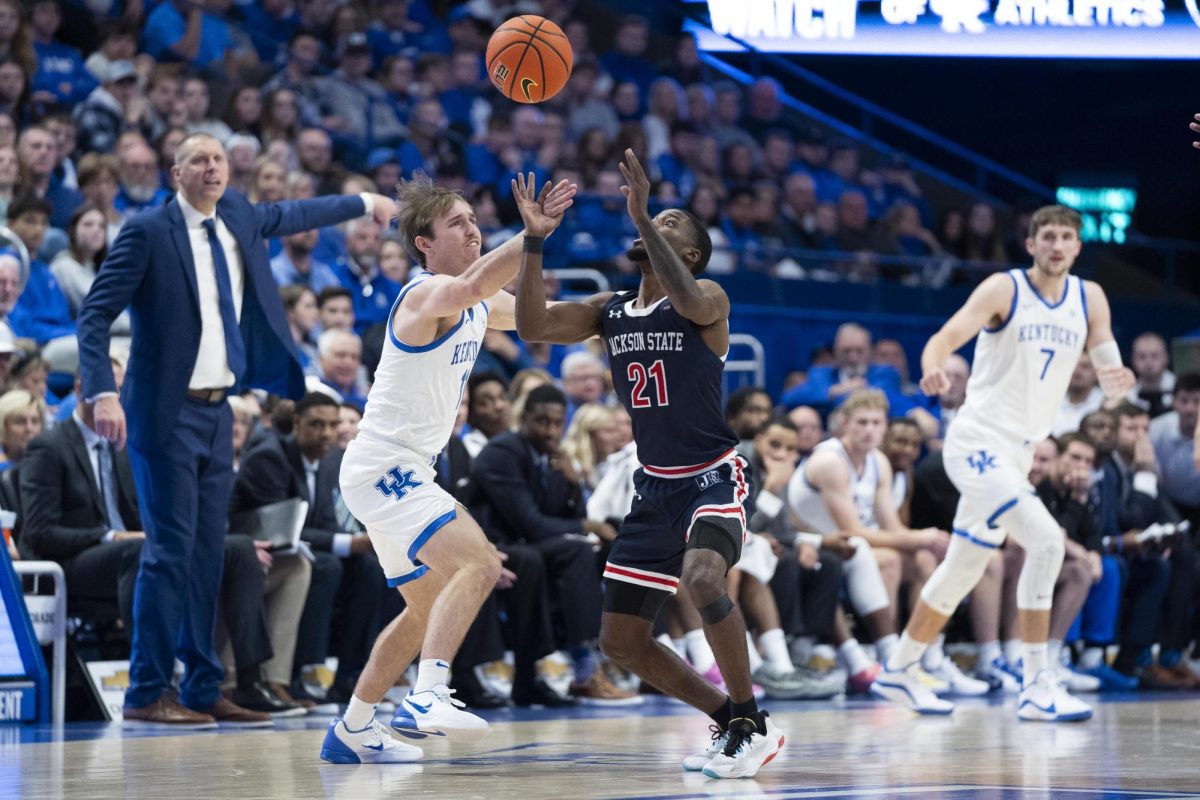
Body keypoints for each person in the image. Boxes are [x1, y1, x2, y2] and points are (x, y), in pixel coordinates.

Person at [76, 132, 398, 729]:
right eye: (199, 159)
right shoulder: (148, 231)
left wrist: (363, 203)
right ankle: (146, 691)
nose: (212, 168)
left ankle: (201, 688)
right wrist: (101, 390)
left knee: (205, 556)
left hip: (218, 413)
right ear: (176, 172)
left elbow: (296, 213)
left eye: (219, 159)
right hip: (163, 411)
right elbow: (95, 313)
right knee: (169, 553)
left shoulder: (239, 216)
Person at [515, 149, 782, 780]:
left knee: (705, 580)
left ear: (690, 254)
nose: (654, 225)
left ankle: (751, 718)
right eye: (653, 220)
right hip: (653, 487)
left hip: (713, 476)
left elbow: (689, 301)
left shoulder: (708, 298)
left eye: (668, 225)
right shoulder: (609, 311)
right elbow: (531, 324)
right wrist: (532, 243)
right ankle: (733, 719)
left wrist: (638, 214)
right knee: (621, 641)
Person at [321, 173, 576, 764]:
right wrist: (532, 236)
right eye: (456, 223)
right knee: (482, 563)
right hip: (384, 464)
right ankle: (428, 693)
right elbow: (471, 285)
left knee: (425, 605)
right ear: (424, 244)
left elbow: (544, 318)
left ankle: (354, 729)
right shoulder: (422, 294)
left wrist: (624, 313)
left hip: (402, 469)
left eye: (472, 219)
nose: (472, 229)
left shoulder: (478, 298)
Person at [870, 205, 1135, 721]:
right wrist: (930, 369)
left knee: (964, 566)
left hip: (1019, 452)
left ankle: (898, 669)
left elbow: (1108, 360)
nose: (1057, 245)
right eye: (1048, 237)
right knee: (1047, 541)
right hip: (976, 441)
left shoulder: (1090, 297)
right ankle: (1037, 682)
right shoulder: (1004, 289)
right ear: (1031, 244)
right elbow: (945, 339)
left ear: (1078, 247)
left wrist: (1114, 379)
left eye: (1067, 238)